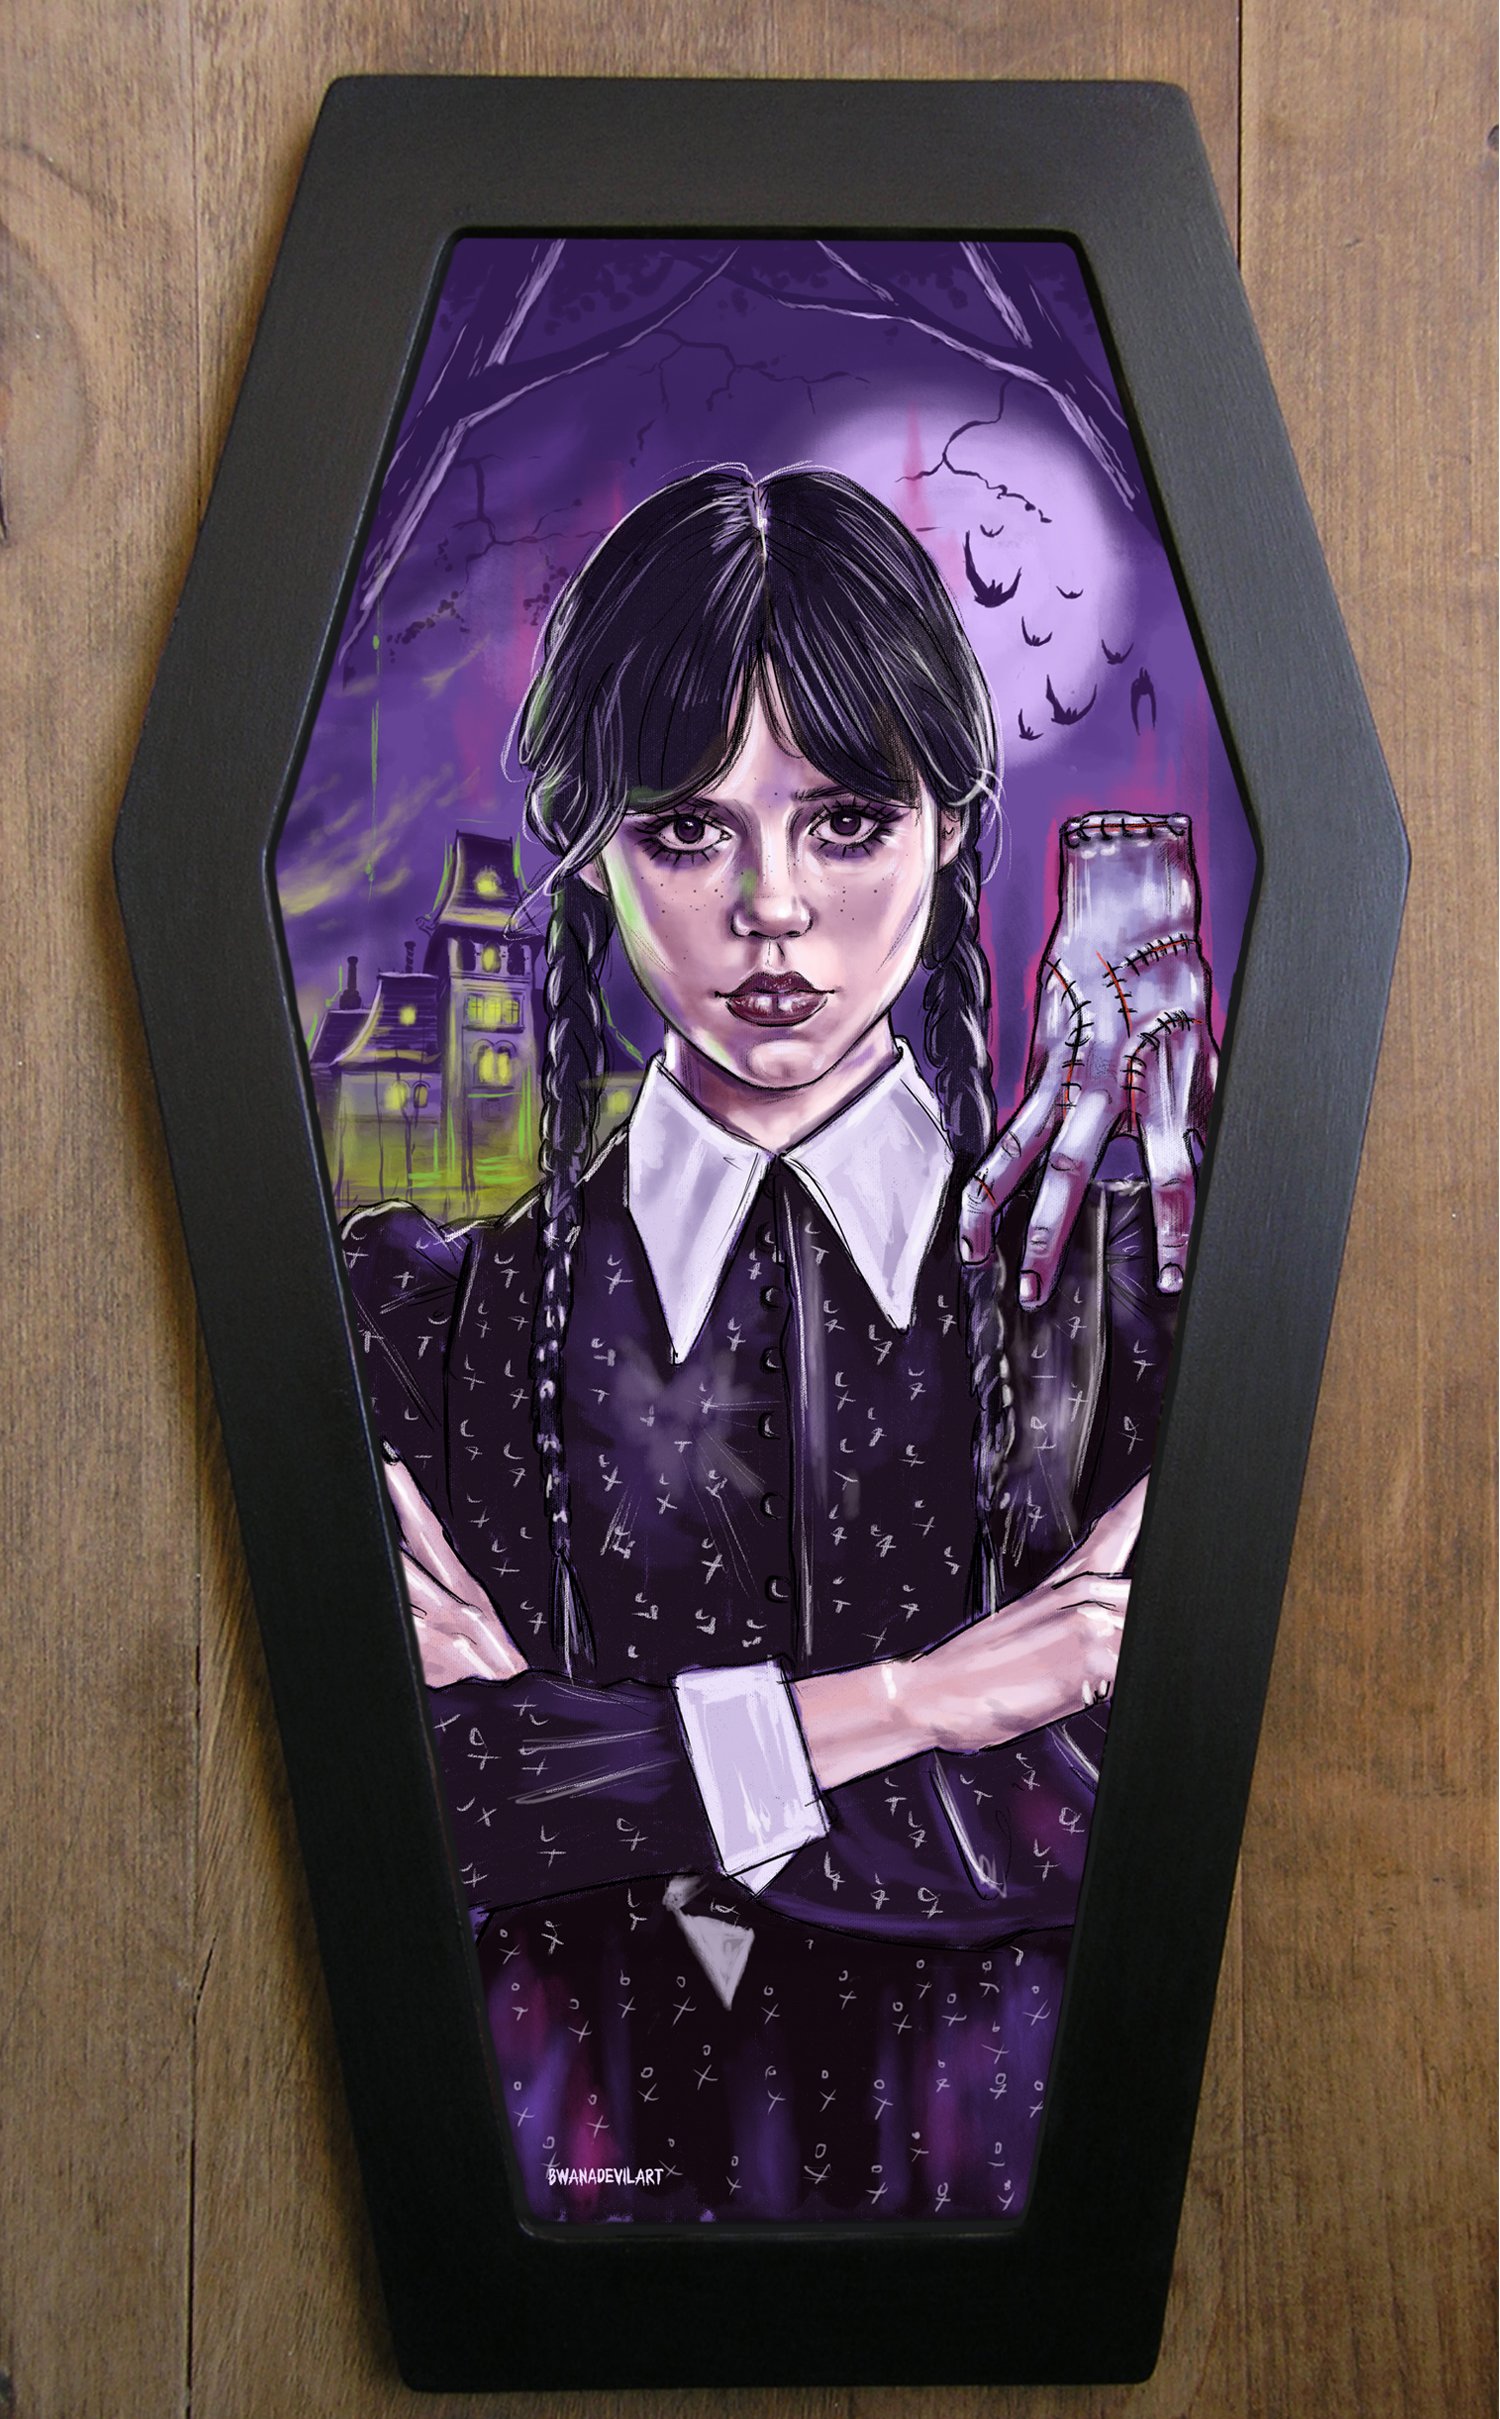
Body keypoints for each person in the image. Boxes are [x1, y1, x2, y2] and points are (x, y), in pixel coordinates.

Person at [342, 463, 1216, 2224]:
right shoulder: (434, 1320)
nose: (773, 911)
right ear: (591, 845)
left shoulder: (1115, 1297)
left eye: (846, 821)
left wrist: (611, 1771)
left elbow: (1125, 1802)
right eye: (686, 829)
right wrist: (928, 1702)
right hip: (573, 2196)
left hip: (1014, 2196)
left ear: (951, 826)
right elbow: (424, 1802)